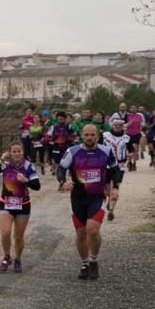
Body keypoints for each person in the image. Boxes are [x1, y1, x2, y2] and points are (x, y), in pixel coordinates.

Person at [57, 123, 121, 280]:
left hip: (97, 197)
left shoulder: (106, 151)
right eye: (86, 135)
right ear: (81, 135)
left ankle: (93, 260)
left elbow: (115, 170)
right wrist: (63, 182)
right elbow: (61, 169)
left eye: (92, 135)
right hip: (77, 198)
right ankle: (85, 263)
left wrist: (115, 187)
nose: (89, 137)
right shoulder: (72, 151)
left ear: (97, 135)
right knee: (80, 234)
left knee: (92, 230)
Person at [0, 142, 41, 273]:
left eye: (19, 151)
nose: (17, 154)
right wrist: (0, 160)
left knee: (18, 237)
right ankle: (6, 256)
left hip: (23, 204)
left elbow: (37, 186)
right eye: (14, 151)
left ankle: (18, 259)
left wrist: (26, 181)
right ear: (10, 153)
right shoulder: (5, 164)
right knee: (5, 232)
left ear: (23, 152)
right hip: (6, 203)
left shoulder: (28, 166)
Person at [102, 120, 130, 220]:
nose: (118, 126)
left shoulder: (127, 138)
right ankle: (108, 200)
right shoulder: (104, 135)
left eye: (120, 125)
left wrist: (130, 155)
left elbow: (131, 150)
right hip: (106, 166)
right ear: (112, 125)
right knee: (106, 190)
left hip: (119, 166)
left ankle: (111, 211)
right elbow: (98, 148)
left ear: (123, 126)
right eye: (115, 125)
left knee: (115, 189)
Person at [46, 111, 75, 176]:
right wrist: (53, 139)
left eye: (61, 119)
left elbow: (74, 136)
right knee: (57, 162)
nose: (60, 121)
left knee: (66, 161)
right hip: (56, 147)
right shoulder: (53, 127)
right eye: (58, 119)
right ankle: (60, 175)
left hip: (66, 147)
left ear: (65, 119)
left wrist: (68, 138)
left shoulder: (69, 126)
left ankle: (68, 172)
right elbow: (47, 137)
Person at [124, 105, 145, 171]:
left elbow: (143, 124)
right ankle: (130, 163)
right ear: (130, 109)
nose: (133, 109)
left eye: (135, 108)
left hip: (137, 134)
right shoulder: (127, 116)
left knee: (135, 147)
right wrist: (128, 124)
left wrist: (142, 125)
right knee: (130, 150)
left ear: (137, 109)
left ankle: (134, 163)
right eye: (132, 108)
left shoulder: (139, 116)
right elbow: (123, 125)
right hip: (128, 134)